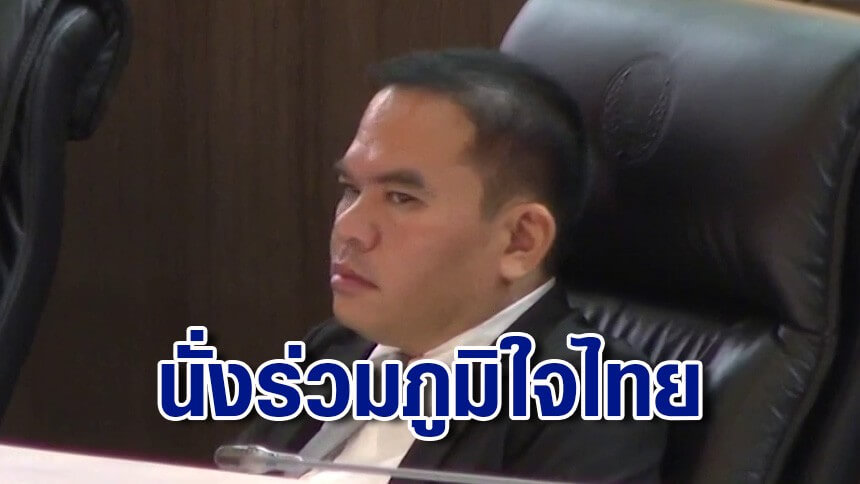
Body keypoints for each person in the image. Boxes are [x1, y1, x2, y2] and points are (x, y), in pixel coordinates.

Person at [234, 48, 666, 483]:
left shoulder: (591, 401)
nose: (349, 229)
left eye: (401, 198)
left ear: (520, 240)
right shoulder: (334, 350)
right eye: (351, 188)